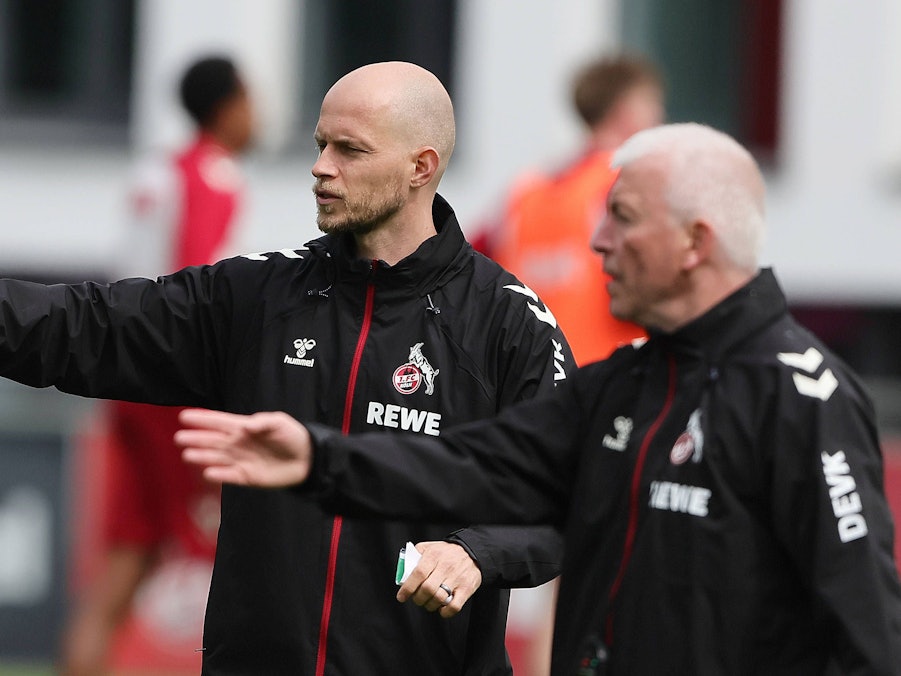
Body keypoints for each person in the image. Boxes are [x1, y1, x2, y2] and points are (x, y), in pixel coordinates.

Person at [177, 123, 901, 675]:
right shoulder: (622, 385)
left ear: (693, 242)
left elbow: (868, 631)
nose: (596, 241)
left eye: (620, 216)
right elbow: (476, 463)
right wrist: (318, 457)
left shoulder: (803, 395)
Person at [0, 61, 572, 675]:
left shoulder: (507, 325)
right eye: (321, 143)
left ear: (420, 167)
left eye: (349, 150)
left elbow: (567, 496)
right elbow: (82, 325)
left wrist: (476, 553)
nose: (321, 167)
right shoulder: (261, 295)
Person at [59, 55, 255, 675]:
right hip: (173, 379)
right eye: (251, 97)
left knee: (130, 555)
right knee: (240, 546)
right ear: (227, 106)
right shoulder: (214, 176)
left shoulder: (156, 169)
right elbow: (197, 281)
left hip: (124, 373)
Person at [473, 55, 664, 365]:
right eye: (653, 105)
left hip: (532, 380)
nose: (660, 116)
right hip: (610, 377)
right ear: (627, 111)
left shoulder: (525, 190)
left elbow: (471, 270)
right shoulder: (626, 181)